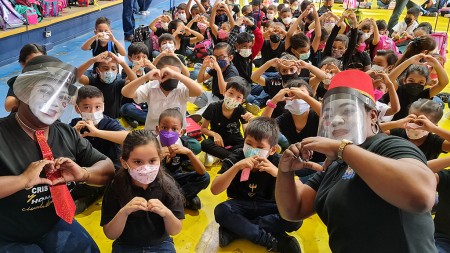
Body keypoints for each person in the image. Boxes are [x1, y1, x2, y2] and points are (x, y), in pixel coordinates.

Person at [275, 69, 437, 252]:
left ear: (373, 116)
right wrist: (285, 171)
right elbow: (293, 211)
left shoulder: (390, 145)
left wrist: (341, 149)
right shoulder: (335, 165)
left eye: (347, 111)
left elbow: (421, 196)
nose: (335, 120)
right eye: (328, 115)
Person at [0, 55, 115, 252]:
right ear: (24, 91)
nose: (55, 102)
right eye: (46, 92)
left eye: (62, 97)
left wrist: (84, 174)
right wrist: (21, 180)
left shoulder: (66, 132)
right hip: (7, 233)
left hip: (54, 223)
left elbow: (107, 168)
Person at [211, 117, 302, 252]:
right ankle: (270, 240)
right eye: (249, 143)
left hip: (268, 206)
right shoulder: (236, 157)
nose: (253, 150)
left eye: (260, 147)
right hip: (241, 205)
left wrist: (278, 174)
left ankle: (237, 230)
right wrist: (236, 167)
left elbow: (298, 192)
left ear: (272, 150)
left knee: (295, 218)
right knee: (221, 211)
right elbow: (215, 189)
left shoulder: (279, 162)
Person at [101, 130, 184, 252]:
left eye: (152, 161)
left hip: (161, 244)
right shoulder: (116, 187)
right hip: (127, 245)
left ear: (160, 159)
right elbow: (110, 234)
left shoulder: (168, 186)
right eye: (138, 162)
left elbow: (175, 230)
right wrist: (124, 212)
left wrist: (167, 213)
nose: (146, 168)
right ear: (124, 163)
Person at [157, 109, 210, 210]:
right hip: (158, 181)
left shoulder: (182, 143)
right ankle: (183, 199)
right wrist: (156, 158)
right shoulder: (151, 144)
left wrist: (189, 153)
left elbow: (202, 171)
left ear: (181, 132)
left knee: (205, 177)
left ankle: (174, 199)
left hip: (175, 178)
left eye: (174, 129)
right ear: (157, 129)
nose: (169, 132)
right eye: (164, 127)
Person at [201, 77, 253, 163]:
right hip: (218, 141)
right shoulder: (213, 107)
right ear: (224, 92)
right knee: (205, 144)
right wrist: (215, 134)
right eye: (231, 93)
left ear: (242, 101)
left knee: (247, 145)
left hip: (235, 141)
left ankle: (220, 157)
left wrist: (251, 122)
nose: (233, 99)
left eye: (238, 97)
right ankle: (234, 158)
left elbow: (247, 134)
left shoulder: (241, 110)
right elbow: (203, 129)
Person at [380, 99, 450, 160]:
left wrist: (435, 129)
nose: (414, 125)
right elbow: (371, 130)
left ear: (432, 126)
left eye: (421, 123)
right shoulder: (397, 132)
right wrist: (396, 123)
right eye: (411, 120)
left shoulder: (435, 142)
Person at [77, 51, 138, 119]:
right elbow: (76, 75)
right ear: (97, 70)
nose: (109, 71)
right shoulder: (91, 81)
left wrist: (122, 63)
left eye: (113, 69)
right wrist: (93, 60)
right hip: (93, 119)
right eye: (105, 68)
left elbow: (135, 81)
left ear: (117, 71)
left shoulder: (119, 84)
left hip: (113, 120)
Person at [4, 43, 46, 113]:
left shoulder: (52, 79)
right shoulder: (19, 81)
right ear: (22, 64)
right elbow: (8, 106)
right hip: (23, 119)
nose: (38, 66)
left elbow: (70, 97)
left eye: (41, 61)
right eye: (32, 62)